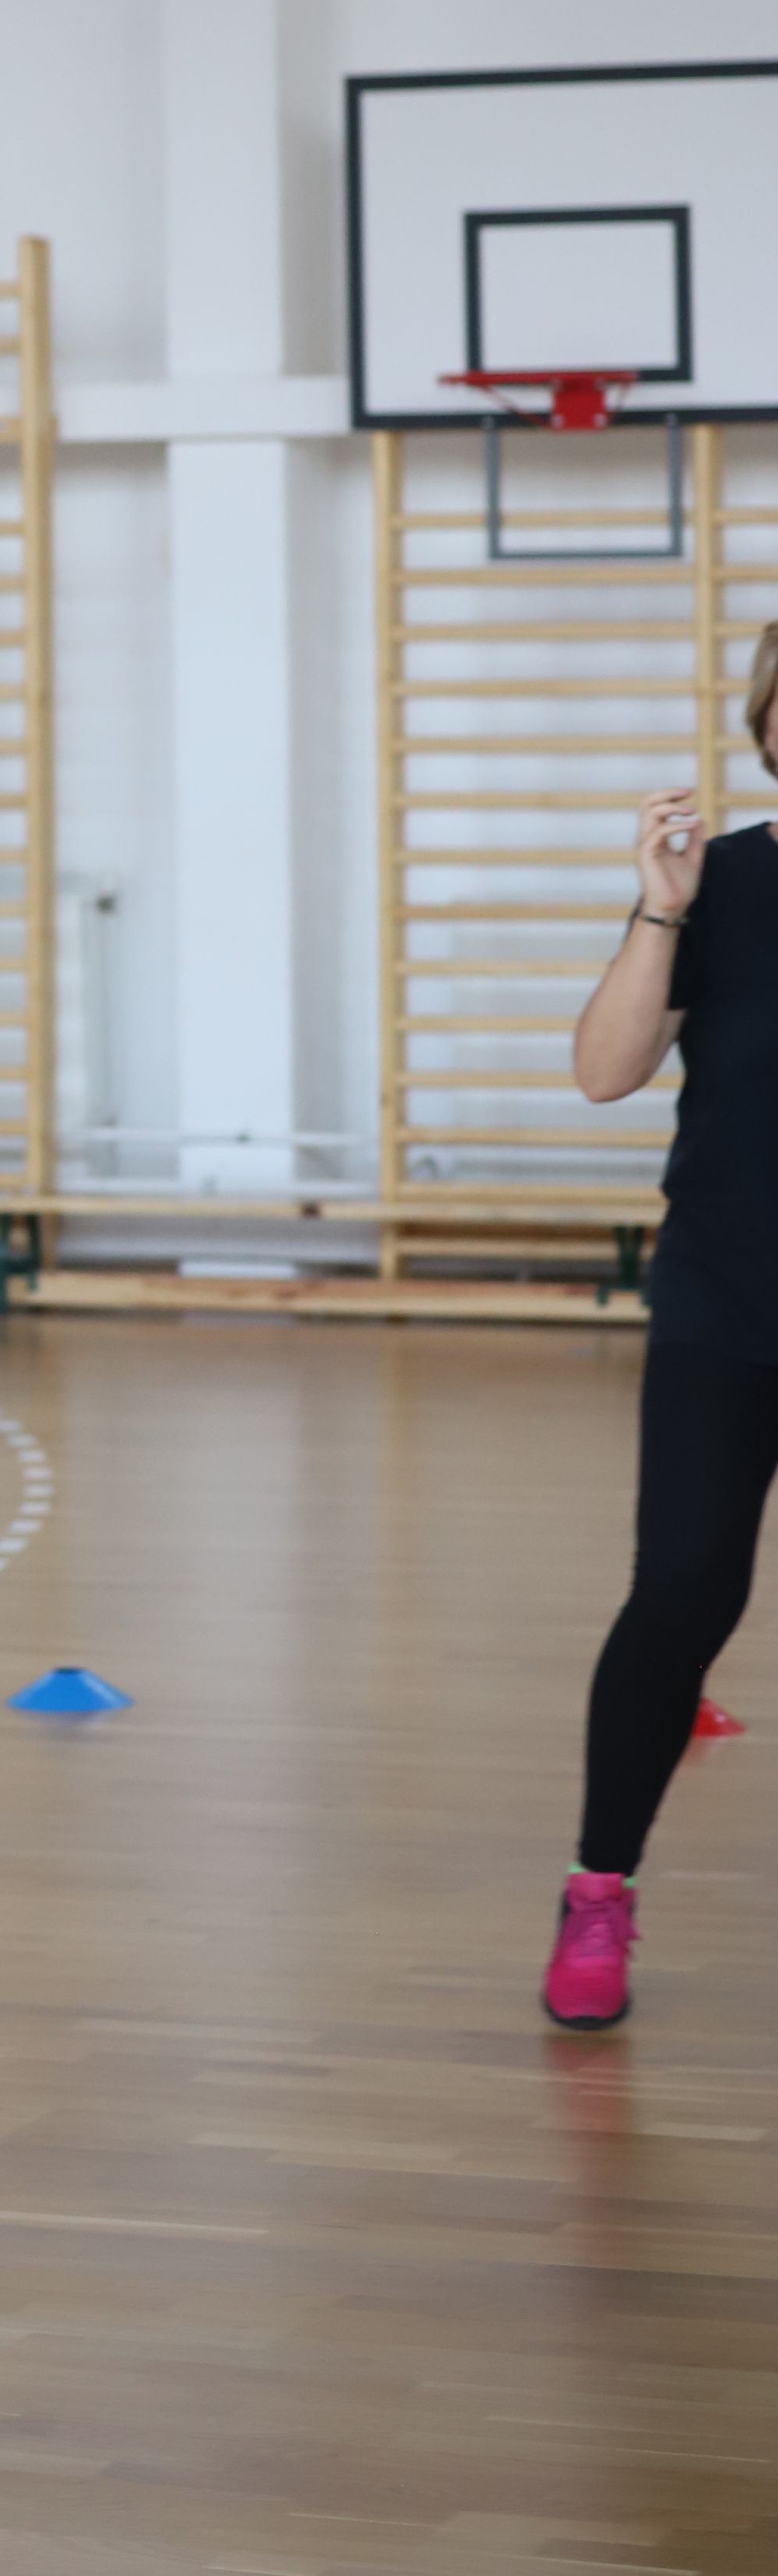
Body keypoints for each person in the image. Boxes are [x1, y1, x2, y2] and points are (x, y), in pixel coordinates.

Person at [543, 621, 778, 2028]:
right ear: (769, 728)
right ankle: (598, 1892)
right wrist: (661, 909)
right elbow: (602, 1072)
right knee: (684, 1592)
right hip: (728, 1298)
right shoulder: (723, 886)